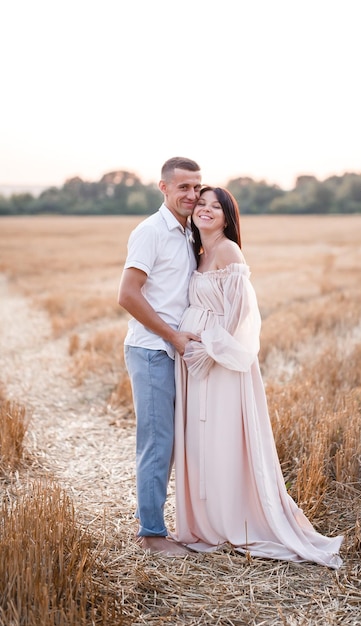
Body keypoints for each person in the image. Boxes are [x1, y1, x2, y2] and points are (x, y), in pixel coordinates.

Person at [173, 186, 344, 568]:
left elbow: (241, 315)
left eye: (215, 207)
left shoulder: (229, 250)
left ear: (227, 216)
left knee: (223, 438)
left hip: (219, 361)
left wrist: (209, 347)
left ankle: (235, 520)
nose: (205, 210)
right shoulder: (199, 254)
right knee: (202, 440)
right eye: (201, 204)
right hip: (194, 360)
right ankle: (209, 522)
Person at [118, 157, 202, 556]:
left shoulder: (189, 232)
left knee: (172, 442)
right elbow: (128, 295)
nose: (192, 194)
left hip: (176, 353)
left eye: (196, 187)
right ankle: (151, 534)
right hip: (152, 351)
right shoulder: (150, 231)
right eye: (183, 187)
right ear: (164, 188)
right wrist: (172, 336)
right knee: (157, 443)